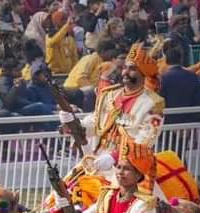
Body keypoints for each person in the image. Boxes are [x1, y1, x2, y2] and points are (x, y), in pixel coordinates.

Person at [59, 42, 165, 175]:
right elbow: (96, 122)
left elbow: (145, 141)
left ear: (143, 73)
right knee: (61, 192)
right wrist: (74, 125)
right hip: (95, 158)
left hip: (128, 166)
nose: (125, 72)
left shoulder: (153, 103)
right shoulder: (110, 95)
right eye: (124, 67)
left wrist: (114, 156)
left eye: (132, 69)